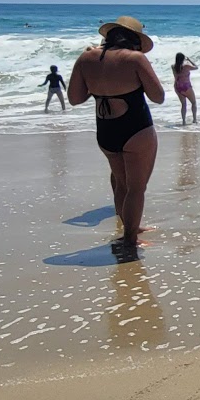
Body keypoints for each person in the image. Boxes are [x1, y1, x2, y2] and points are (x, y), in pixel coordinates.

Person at [66, 16, 166, 253]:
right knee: (136, 187)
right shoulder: (135, 59)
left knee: (121, 183)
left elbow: (75, 98)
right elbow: (158, 96)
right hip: (136, 127)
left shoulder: (86, 58)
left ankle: (130, 229)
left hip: (105, 128)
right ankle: (130, 241)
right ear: (135, 40)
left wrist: (101, 87)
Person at [172, 53, 198, 125]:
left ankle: (183, 121)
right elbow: (196, 67)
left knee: (183, 104)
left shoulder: (173, 66)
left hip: (177, 87)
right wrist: (189, 60)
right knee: (193, 102)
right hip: (186, 86)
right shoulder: (186, 66)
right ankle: (194, 120)